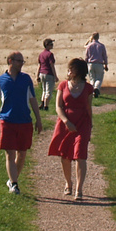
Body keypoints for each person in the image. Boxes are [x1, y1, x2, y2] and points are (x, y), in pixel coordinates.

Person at [0, 51, 42, 195]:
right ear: (10, 61)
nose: (21, 64)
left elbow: (32, 99)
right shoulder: (0, 81)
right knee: (9, 154)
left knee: (22, 153)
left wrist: (38, 119)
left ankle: (12, 180)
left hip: (25, 120)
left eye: (22, 61)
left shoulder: (26, 79)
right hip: (7, 121)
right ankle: (14, 184)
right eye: (19, 61)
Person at [48, 57, 93, 201]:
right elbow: (58, 107)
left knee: (80, 156)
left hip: (82, 124)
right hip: (65, 124)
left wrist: (90, 126)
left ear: (78, 71)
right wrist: (66, 121)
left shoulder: (88, 88)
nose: (69, 71)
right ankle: (68, 183)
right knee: (65, 155)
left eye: (71, 68)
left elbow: (88, 108)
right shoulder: (62, 85)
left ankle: (79, 189)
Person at [84, 32, 108, 98]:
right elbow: (105, 56)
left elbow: (86, 57)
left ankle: (91, 91)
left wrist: (85, 64)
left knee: (92, 78)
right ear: (98, 37)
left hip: (90, 64)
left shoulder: (89, 46)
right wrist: (106, 64)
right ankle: (96, 88)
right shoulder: (101, 46)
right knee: (99, 78)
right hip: (99, 64)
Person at [37, 38, 58, 111]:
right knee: (49, 91)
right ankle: (46, 106)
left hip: (42, 73)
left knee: (44, 89)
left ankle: (42, 103)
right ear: (47, 45)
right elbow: (52, 65)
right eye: (51, 44)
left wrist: (37, 75)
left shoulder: (41, 54)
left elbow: (40, 65)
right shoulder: (50, 54)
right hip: (49, 73)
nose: (52, 45)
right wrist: (55, 76)